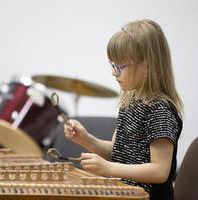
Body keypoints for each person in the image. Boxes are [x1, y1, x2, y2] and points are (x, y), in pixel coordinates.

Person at [64, 19, 183, 200]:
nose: (114, 72)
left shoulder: (160, 110)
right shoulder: (130, 102)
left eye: (120, 66)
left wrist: (109, 168)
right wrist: (86, 140)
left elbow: (160, 171)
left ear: (148, 65)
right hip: (125, 195)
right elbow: (117, 152)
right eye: (113, 65)